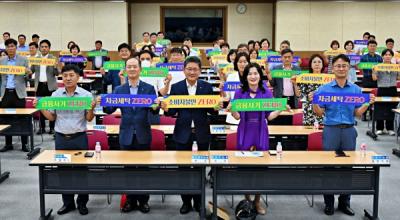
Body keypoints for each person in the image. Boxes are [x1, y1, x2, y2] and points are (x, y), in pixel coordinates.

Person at [312, 54, 375, 216]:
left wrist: (368, 102)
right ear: (333, 69)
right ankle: (329, 203)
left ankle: (344, 202)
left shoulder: (355, 89)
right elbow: (319, 113)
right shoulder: (324, 89)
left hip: (348, 130)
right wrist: (314, 102)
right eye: (338, 66)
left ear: (349, 68)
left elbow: (358, 113)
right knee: (329, 167)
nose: (341, 68)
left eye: (344, 66)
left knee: (348, 167)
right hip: (330, 130)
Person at [161, 56, 222, 215]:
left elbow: (212, 111)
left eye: (195, 69)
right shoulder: (176, 87)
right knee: (184, 170)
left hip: (201, 134)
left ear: (200, 71)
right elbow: (173, 112)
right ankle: (186, 202)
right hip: (182, 134)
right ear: (184, 70)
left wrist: (217, 106)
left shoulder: (207, 87)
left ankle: (199, 202)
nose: (192, 72)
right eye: (189, 69)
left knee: (200, 170)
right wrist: (166, 107)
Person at [228, 63, 288, 215]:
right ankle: (247, 200)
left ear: (260, 76)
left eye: (256, 73)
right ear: (245, 76)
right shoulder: (240, 93)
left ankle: (257, 201)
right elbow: (236, 116)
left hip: (261, 130)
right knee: (244, 167)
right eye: (250, 74)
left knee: (261, 167)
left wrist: (280, 109)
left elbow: (269, 116)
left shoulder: (266, 92)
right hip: (244, 130)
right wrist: (232, 109)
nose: (253, 76)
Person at [36, 64, 96, 216]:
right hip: (61, 138)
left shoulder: (86, 95)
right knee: (63, 172)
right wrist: (41, 107)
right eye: (65, 76)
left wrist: (92, 108)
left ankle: (82, 202)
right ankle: (67, 203)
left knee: (82, 172)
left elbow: (89, 119)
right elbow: (52, 117)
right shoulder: (56, 95)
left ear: (78, 77)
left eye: (71, 75)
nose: (68, 78)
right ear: (61, 78)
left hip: (80, 138)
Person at [101, 58, 158, 214]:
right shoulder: (119, 90)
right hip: (126, 134)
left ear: (140, 69)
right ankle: (130, 200)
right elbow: (109, 110)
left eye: (135, 66)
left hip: (143, 133)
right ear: (125, 70)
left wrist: (157, 105)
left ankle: (143, 201)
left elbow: (154, 111)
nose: (132, 69)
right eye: (129, 67)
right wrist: (103, 101)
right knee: (128, 170)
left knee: (143, 169)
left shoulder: (149, 88)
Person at [0, 38, 31, 152]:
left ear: (16, 47)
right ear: (6, 48)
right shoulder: (2, 60)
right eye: (8, 46)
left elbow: (28, 78)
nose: (10, 48)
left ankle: (24, 144)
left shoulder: (23, 60)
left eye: (12, 46)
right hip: (6, 93)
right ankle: (8, 144)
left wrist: (28, 73)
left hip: (19, 93)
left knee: (22, 118)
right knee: (6, 119)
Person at [31, 39, 59, 135]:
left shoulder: (53, 58)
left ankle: (52, 128)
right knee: (41, 106)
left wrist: (55, 66)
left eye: (46, 46)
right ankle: (42, 127)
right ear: (39, 48)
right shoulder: (36, 58)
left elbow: (57, 73)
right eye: (42, 46)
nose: (44, 48)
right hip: (39, 86)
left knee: (51, 107)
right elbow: (31, 71)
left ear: (49, 48)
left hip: (50, 86)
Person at [372, 49, 400, 135]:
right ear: (383, 56)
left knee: (391, 108)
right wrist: (374, 71)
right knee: (380, 108)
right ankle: (379, 128)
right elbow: (374, 78)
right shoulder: (378, 66)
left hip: (392, 89)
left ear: (392, 56)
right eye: (386, 55)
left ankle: (390, 128)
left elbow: (398, 78)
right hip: (382, 89)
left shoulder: (396, 66)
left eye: (389, 55)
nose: (387, 56)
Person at [294, 54, 325, 126]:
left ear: (323, 65)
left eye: (319, 62)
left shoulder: (328, 79)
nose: (317, 64)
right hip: (309, 111)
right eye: (314, 62)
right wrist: (295, 84)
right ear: (310, 65)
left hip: (324, 111)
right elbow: (300, 96)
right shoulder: (305, 78)